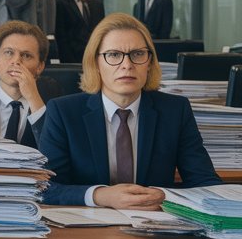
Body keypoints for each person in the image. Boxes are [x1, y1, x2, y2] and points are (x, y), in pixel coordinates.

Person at [39, 13, 221, 208]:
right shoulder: (63, 112)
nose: (127, 65)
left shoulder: (175, 111)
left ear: (149, 62)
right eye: (114, 55)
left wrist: (165, 196)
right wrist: (100, 195)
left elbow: (205, 182)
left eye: (137, 54)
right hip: (87, 223)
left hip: (155, 221)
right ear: (96, 63)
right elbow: (46, 188)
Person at [54, 0, 104, 65]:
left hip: (94, 58)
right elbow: (60, 36)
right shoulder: (59, 4)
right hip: (71, 61)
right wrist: (69, 61)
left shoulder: (97, 5)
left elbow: (102, 31)